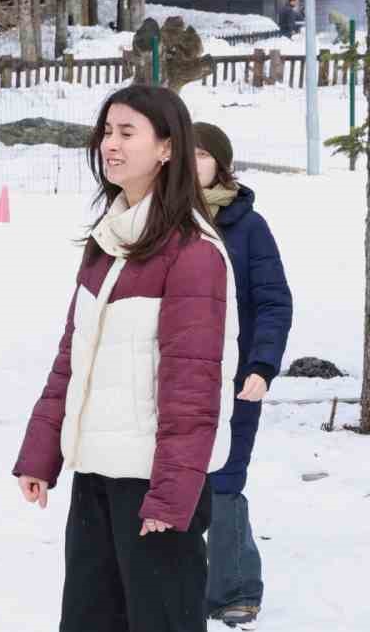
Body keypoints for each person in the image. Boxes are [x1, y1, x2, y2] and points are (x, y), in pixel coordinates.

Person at [13, 83, 238, 632]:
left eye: (126, 133)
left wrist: (169, 496)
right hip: (96, 473)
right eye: (106, 132)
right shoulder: (108, 241)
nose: (109, 145)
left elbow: (194, 389)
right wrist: (42, 451)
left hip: (154, 488)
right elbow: (73, 357)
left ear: (166, 149)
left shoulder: (193, 254)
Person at [193, 122, 294, 631]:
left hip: (234, 379)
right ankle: (176, 580)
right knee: (173, 478)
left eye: (202, 154)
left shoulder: (248, 227)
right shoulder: (156, 221)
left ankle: (234, 588)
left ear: (221, 164)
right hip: (172, 378)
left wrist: (262, 365)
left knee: (225, 479)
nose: (192, 163)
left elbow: (274, 302)